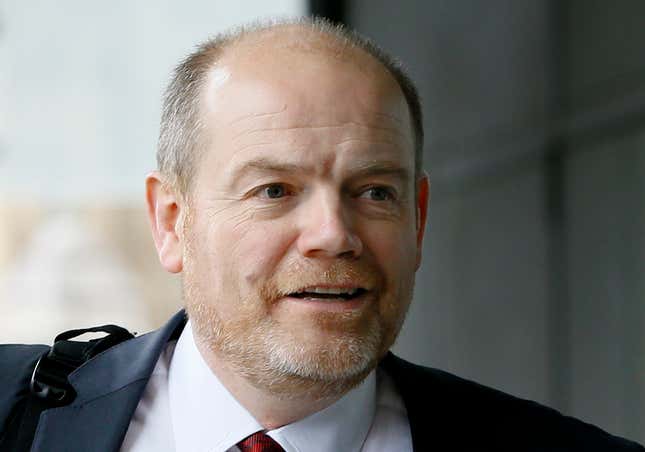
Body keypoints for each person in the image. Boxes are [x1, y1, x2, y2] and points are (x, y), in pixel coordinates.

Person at [1, 18, 643, 452]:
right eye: (274, 190)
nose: (334, 235)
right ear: (172, 222)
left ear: (416, 221)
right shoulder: (17, 419)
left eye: (374, 192)